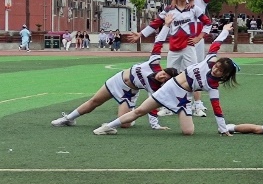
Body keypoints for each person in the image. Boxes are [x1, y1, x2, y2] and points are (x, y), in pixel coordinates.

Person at [91, 55, 240, 136]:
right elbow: (217, 42)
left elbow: (217, 108)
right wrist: (225, 30)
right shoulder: (208, 61)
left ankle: (224, 129)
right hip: (170, 88)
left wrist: (222, 128)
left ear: (224, 75)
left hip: (183, 98)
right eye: (216, 66)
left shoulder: (213, 87)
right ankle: (107, 127)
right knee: (140, 111)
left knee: (188, 132)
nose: (215, 70)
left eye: (220, 71)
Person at [53, 54, 173, 130]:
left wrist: (156, 125)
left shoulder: (155, 87)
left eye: (165, 79)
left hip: (128, 93)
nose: (161, 77)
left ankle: (130, 114)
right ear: (163, 70)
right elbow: (159, 41)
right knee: (94, 101)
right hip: (117, 81)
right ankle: (69, 119)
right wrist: (166, 26)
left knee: (125, 125)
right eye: (164, 74)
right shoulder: (153, 63)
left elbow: (152, 106)